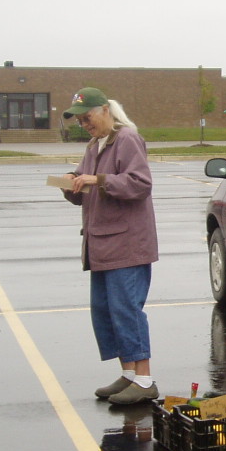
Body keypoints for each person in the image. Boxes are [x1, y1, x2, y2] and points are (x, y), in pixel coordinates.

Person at [60, 87, 159, 405]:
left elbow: (140, 183)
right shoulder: (94, 144)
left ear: (105, 110)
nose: (84, 124)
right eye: (79, 120)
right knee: (106, 311)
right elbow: (86, 187)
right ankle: (128, 375)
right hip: (101, 243)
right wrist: (72, 182)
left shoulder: (127, 138)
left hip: (126, 243)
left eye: (87, 117)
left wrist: (97, 180)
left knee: (126, 309)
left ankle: (144, 381)